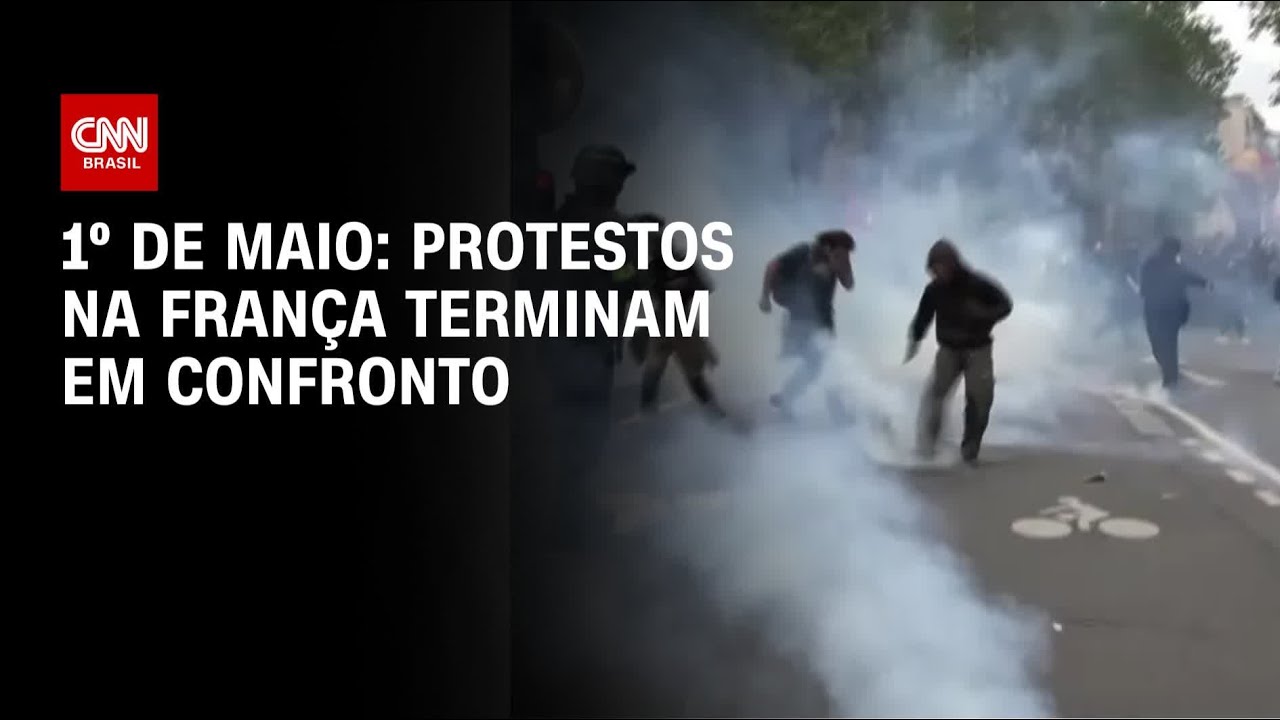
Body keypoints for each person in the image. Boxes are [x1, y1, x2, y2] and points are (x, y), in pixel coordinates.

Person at [542, 144, 640, 548]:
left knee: (566, 433)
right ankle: (572, 525)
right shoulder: (612, 230)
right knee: (586, 439)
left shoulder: (555, 223)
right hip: (589, 348)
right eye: (616, 179)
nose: (619, 187)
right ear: (607, 183)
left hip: (553, 347)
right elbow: (628, 286)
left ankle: (565, 518)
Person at [905, 238, 1013, 465]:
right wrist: (914, 341)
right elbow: (922, 318)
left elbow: (1005, 305)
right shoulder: (934, 290)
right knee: (934, 397)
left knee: (980, 398)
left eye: (940, 267)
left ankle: (970, 450)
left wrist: (983, 315)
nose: (937, 274)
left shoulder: (977, 284)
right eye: (933, 269)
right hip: (949, 351)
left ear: (952, 264)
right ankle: (926, 448)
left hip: (978, 349)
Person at [632, 213, 730, 423]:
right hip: (661, 319)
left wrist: (682, 285)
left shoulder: (680, 259)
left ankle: (716, 415)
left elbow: (706, 286)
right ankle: (647, 416)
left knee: (693, 373)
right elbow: (642, 288)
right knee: (653, 368)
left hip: (681, 320)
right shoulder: (648, 264)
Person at [758, 230, 856, 417]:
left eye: (846, 253)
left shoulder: (840, 260)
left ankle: (786, 397)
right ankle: (836, 411)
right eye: (841, 252)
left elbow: (849, 284)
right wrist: (764, 297)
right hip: (799, 319)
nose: (844, 256)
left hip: (824, 320)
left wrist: (842, 265)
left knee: (820, 365)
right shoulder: (803, 252)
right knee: (825, 364)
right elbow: (772, 267)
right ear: (827, 247)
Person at [1138, 236, 1210, 391]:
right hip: (1159, 308)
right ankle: (1170, 373)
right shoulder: (1153, 263)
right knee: (1163, 344)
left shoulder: (1172, 264)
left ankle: (1170, 376)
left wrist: (1204, 283)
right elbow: (1145, 283)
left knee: (1166, 343)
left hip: (1169, 309)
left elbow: (1188, 275)